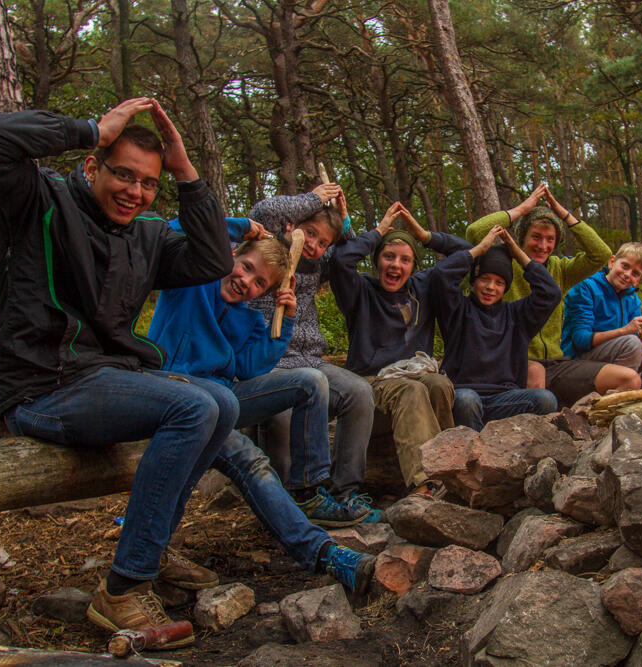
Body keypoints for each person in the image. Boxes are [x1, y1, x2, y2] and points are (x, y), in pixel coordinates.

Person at [0, 98, 237, 646]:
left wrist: (186, 173)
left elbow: (213, 260)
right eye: (123, 174)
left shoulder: (147, 234)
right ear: (92, 166)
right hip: (42, 388)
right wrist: (91, 128)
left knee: (224, 402)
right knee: (194, 405)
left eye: (147, 183)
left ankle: (153, 548)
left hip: (103, 379)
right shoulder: (36, 201)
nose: (135, 193)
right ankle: (122, 588)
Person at [148, 232, 375, 590]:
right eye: (246, 267)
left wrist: (284, 320)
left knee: (311, 380)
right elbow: (175, 227)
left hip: (224, 399)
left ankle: (309, 490)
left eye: (259, 284)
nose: (246, 283)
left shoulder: (250, 320)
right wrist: (241, 226)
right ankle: (320, 551)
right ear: (233, 255)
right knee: (251, 460)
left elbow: (250, 369)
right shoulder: (190, 281)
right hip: (175, 397)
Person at [246, 189, 378, 517]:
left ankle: (344, 491)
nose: (316, 246)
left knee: (359, 392)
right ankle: (290, 500)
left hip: (309, 360)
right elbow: (265, 210)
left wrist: (344, 221)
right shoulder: (270, 249)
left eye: (323, 243)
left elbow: (349, 252)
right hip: (268, 361)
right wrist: (316, 200)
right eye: (311, 235)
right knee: (285, 408)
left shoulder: (321, 264)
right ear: (292, 226)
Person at [331, 202, 471, 492]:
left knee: (438, 383)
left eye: (405, 260)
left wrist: (424, 236)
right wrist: (379, 231)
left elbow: (464, 253)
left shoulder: (423, 287)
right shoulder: (361, 292)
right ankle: (426, 484)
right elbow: (340, 261)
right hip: (371, 387)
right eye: (388, 257)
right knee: (413, 389)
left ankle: (452, 474)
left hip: (414, 378)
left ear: (414, 266)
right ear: (377, 260)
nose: (396, 265)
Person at [465, 184, 613, 406]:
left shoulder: (561, 270)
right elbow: (475, 232)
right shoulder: (506, 264)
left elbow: (601, 254)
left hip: (556, 362)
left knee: (627, 378)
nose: (543, 246)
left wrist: (563, 214)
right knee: (536, 375)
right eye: (536, 237)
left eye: (550, 239)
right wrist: (523, 209)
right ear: (523, 236)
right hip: (515, 362)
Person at [431, 225, 562, 430]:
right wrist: (478, 251)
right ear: (474, 281)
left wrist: (519, 254)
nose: (491, 287)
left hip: (506, 399)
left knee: (545, 399)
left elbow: (550, 293)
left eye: (499, 282)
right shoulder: (457, 310)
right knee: (467, 400)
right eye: (484, 279)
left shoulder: (518, 316)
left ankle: (503, 447)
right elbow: (441, 275)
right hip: (464, 395)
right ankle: (476, 455)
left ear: (506, 287)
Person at [561, 242, 642, 392]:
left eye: (635, 273)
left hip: (613, 356)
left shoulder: (632, 300)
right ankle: (616, 398)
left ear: (639, 280)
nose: (627, 275)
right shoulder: (586, 287)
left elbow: (634, 339)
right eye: (625, 266)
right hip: (577, 361)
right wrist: (625, 330)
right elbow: (581, 340)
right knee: (631, 344)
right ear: (612, 262)